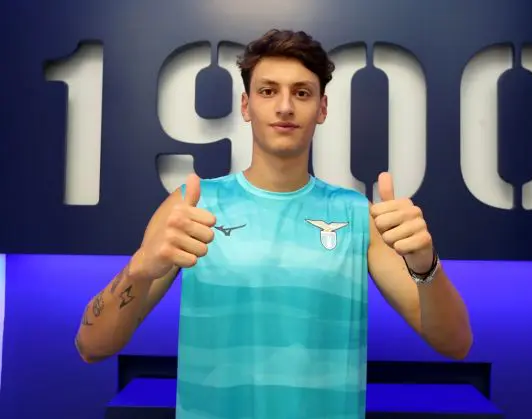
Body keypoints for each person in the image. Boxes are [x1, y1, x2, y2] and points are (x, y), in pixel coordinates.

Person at [75, 29, 473, 418]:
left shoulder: (356, 215)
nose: (285, 106)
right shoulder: (192, 206)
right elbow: (91, 346)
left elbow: (456, 343)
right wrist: (139, 270)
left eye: (301, 92)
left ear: (322, 108)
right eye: (268, 91)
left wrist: (425, 264)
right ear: (247, 106)